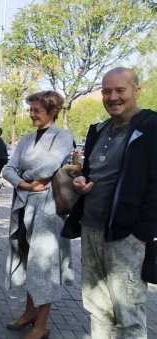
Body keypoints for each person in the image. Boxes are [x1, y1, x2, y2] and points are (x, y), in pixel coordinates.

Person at [62, 67, 156, 338]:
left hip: (126, 237)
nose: (112, 97)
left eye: (120, 90)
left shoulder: (150, 128)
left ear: (136, 91)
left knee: (128, 316)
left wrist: (141, 234)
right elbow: (90, 174)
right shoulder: (99, 129)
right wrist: (81, 183)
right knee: (97, 308)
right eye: (106, 91)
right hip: (91, 229)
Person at [3, 91, 74, 339]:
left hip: (47, 208)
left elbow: (49, 167)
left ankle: (42, 324)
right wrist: (24, 184)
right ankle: (29, 313)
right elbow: (7, 169)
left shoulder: (63, 136)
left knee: (44, 264)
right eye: (30, 109)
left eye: (37, 110)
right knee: (27, 256)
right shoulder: (25, 139)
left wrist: (23, 176)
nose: (32, 114)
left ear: (52, 111)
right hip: (23, 203)